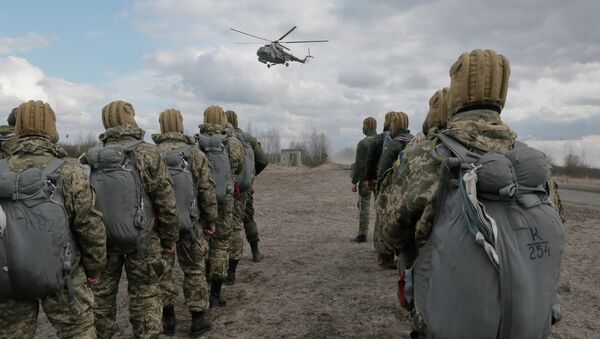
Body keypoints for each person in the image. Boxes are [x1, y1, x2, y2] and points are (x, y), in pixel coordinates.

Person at [378, 49, 564, 338]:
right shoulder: (534, 166)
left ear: (457, 93)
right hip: (525, 323)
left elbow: (389, 235)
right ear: (503, 94)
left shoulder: (425, 157)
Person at [0, 100, 107, 339]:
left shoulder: (1, 170)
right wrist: (95, 269)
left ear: (17, 131)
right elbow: (90, 227)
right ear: (51, 129)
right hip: (63, 276)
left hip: (9, 280)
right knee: (78, 331)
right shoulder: (69, 172)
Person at [86, 100, 179, 339]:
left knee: (101, 300)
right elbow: (166, 202)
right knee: (146, 296)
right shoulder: (148, 152)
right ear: (131, 119)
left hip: (103, 241)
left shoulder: (92, 156)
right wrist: (169, 239)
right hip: (144, 238)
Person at [153, 109, 217, 336]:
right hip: (191, 224)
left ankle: (167, 318)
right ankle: (198, 318)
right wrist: (210, 220)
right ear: (180, 126)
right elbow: (207, 191)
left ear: (161, 127)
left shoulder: (149, 154)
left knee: (163, 273)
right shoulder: (195, 154)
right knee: (194, 270)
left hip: (160, 228)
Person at [196, 105, 245, 307]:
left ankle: (200, 287)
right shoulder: (232, 143)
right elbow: (240, 168)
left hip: (199, 204)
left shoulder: (195, 142)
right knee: (221, 246)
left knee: (200, 246)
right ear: (223, 120)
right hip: (224, 203)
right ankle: (215, 294)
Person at [224, 110, 268, 284]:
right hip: (244, 188)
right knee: (247, 217)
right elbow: (263, 160)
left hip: (224, 189)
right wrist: (250, 175)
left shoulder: (221, 139)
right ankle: (256, 252)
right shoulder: (248, 138)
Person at [350, 117, 377, 243]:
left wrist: (354, 181)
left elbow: (359, 165)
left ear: (367, 126)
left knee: (364, 206)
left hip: (366, 180)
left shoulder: (363, 143)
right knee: (380, 208)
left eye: (363, 125)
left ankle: (362, 234)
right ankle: (379, 236)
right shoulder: (382, 140)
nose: (362, 128)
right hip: (380, 180)